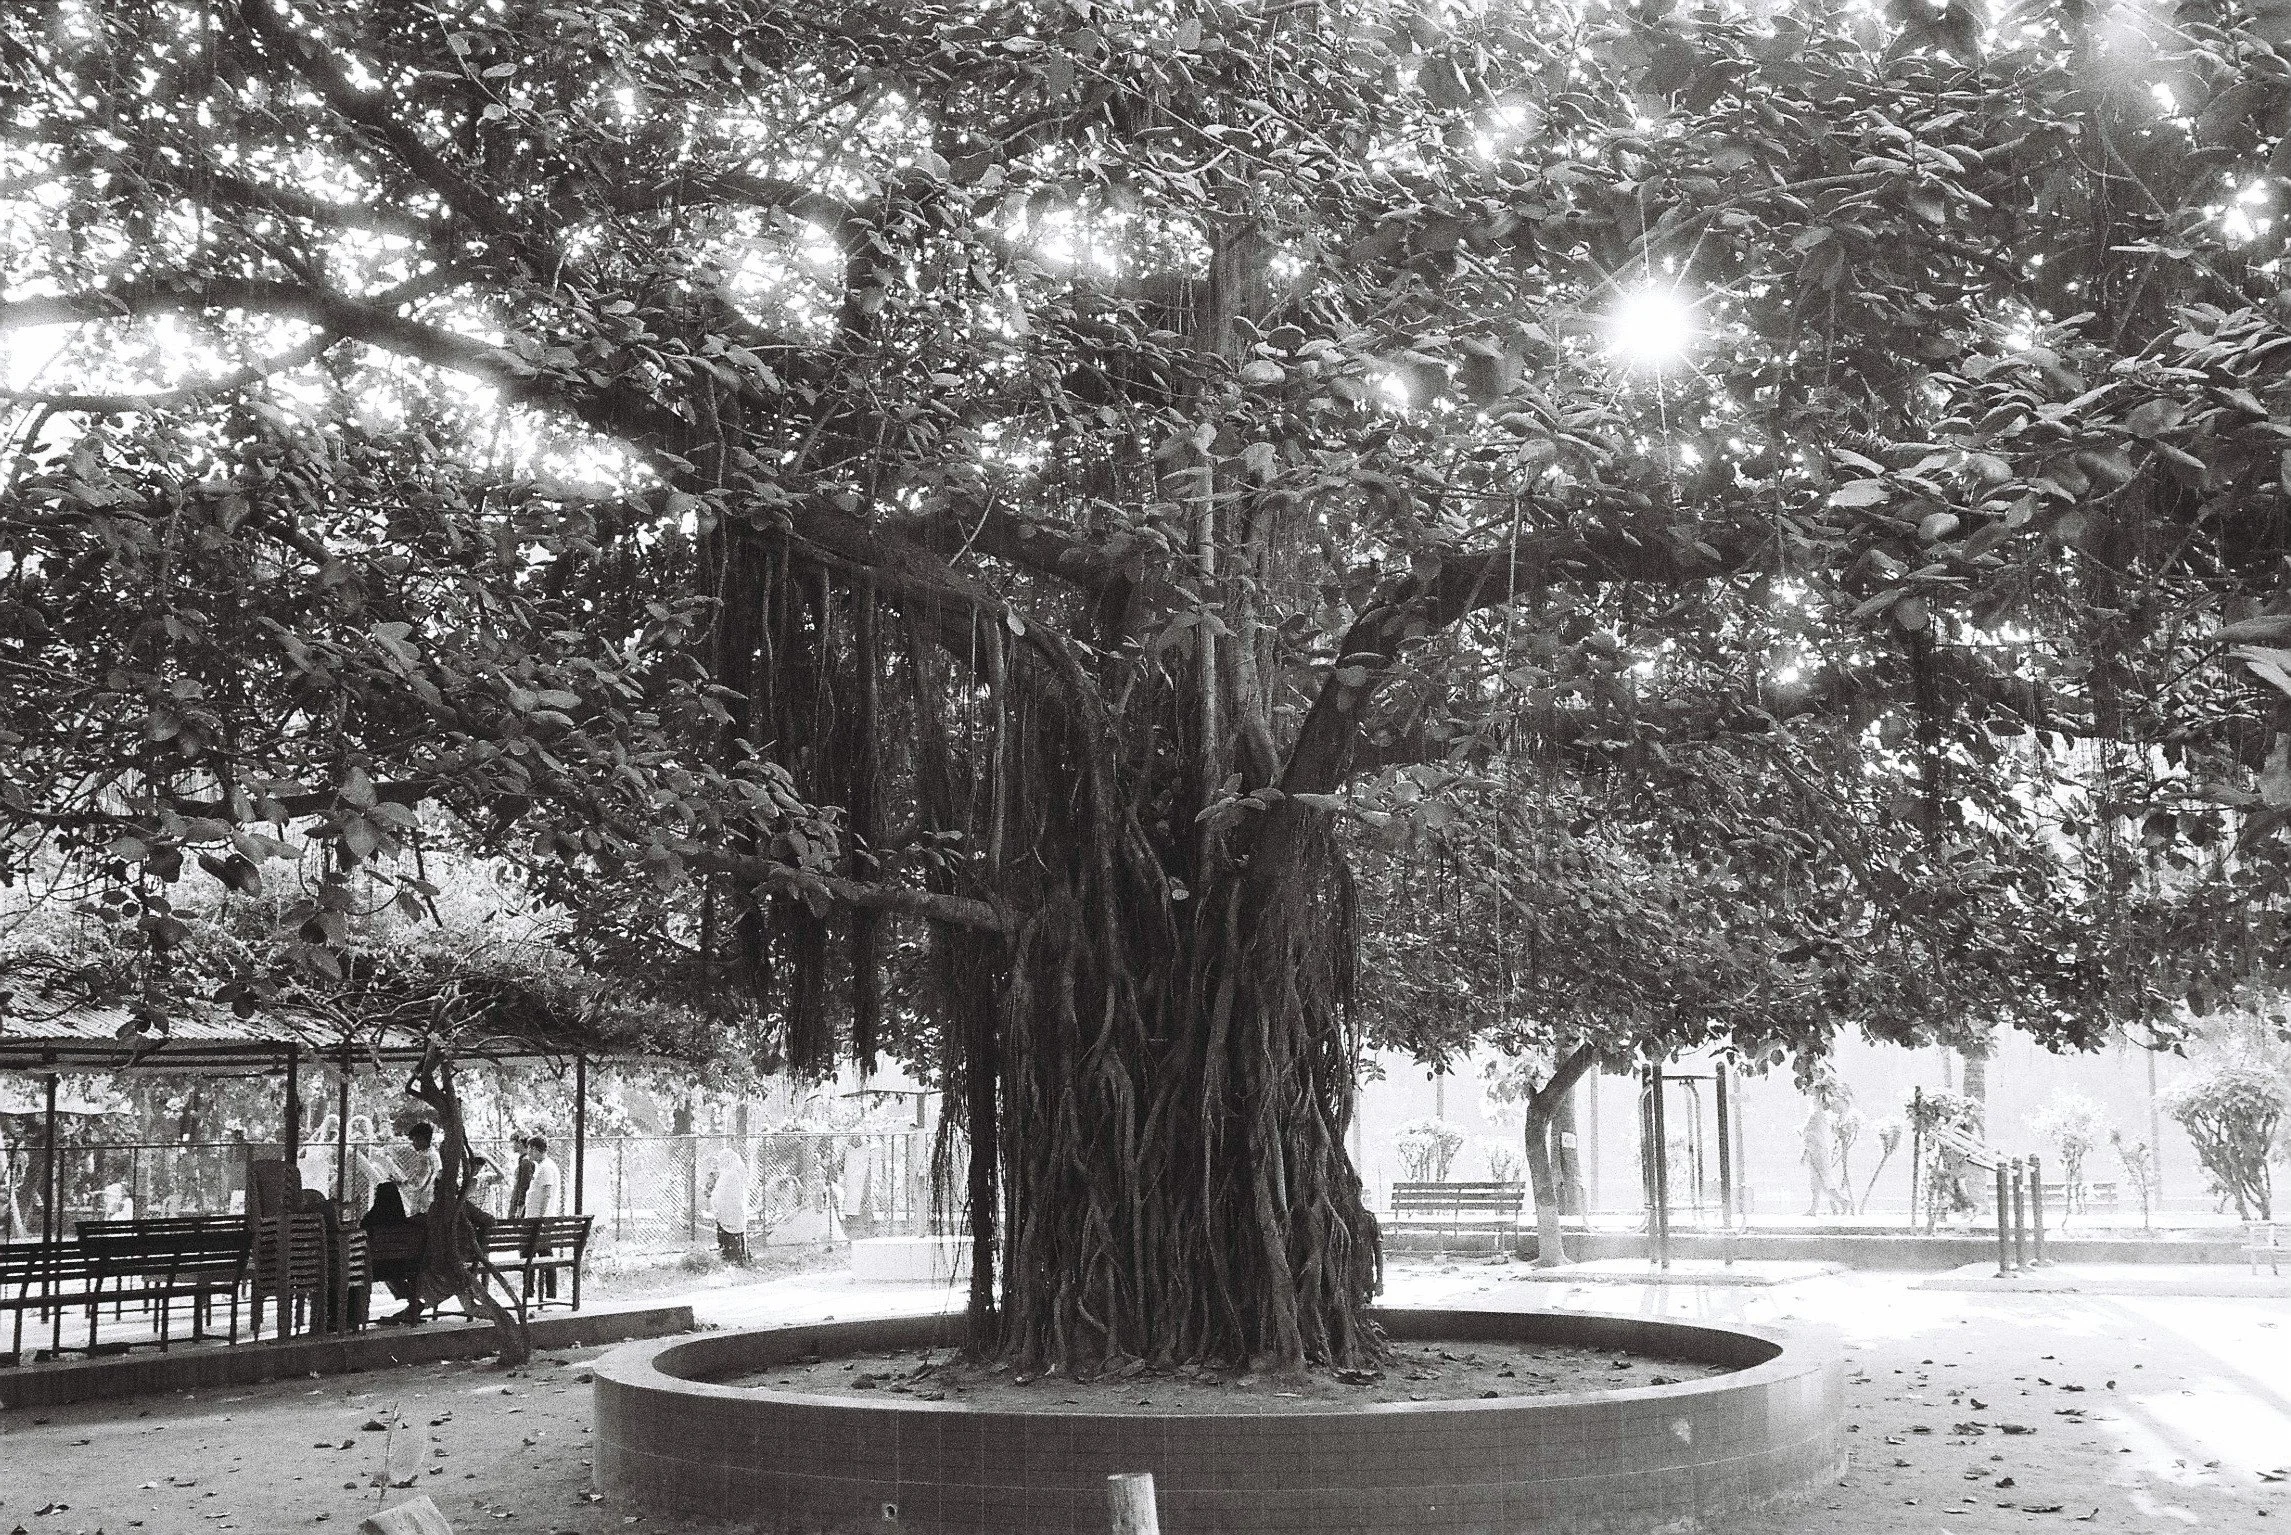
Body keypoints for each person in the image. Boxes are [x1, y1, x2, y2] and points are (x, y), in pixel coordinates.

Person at [1801, 1103, 1847, 1217]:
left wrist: (1808, 1151)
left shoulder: (1818, 1118)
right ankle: (1814, 1208)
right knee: (1816, 1183)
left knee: (1822, 1182)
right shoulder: (1815, 1118)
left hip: (1818, 1155)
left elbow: (1814, 1138)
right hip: (1814, 1154)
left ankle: (1843, 1202)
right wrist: (1806, 1153)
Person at [709, 1149, 751, 1264]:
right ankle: (739, 1258)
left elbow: (721, 1194)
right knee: (737, 1236)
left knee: (729, 1237)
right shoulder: (734, 1173)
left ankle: (731, 1260)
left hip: (728, 1212)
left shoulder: (729, 1175)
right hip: (734, 1212)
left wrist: (714, 1201)